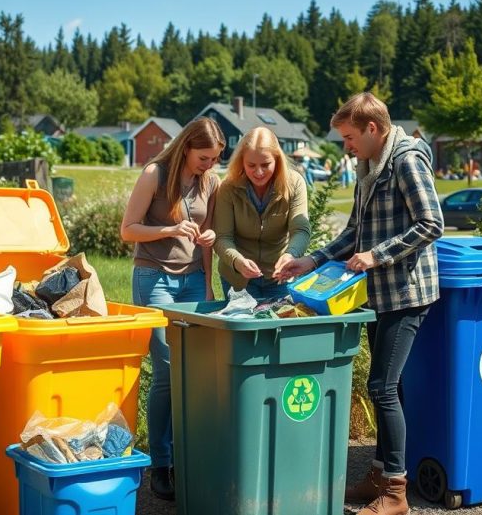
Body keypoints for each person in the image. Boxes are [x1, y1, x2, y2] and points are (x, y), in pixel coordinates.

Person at [283, 93, 444, 515]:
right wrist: (311, 260)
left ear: (373, 129)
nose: (346, 146)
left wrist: (377, 255)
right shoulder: (367, 165)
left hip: (407, 292)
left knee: (382, 387)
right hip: (380, 294)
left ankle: (395, 493)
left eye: (350, 137)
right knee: (390, 387)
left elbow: (432, 224)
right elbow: (355, 231)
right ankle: (379, 473)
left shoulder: (406, 160)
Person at [119, 116, 225, 501]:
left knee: (193, 369)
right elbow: (128, 229)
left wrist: (209, 268)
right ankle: (160, 465)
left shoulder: (210, 182)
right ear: (186, 148)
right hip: (156, 279)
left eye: (214, 159)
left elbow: (207, 236)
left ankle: (186, 459)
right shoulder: (154, 174)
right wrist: (167, 230)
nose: (210, 165)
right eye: (204, 158)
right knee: (166, 370)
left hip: (194, 280)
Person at [213, 127, 311, 300]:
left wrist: (291, 255)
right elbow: (222, 237)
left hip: (280, 277)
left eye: (266, 165)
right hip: (239, 278)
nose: (258, 172)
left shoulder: (294, 183)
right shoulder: (228, 187)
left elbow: (301, 230)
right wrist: (237, 261)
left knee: (280, 324)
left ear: (277, 160)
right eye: (251, 165)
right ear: (241, 161)